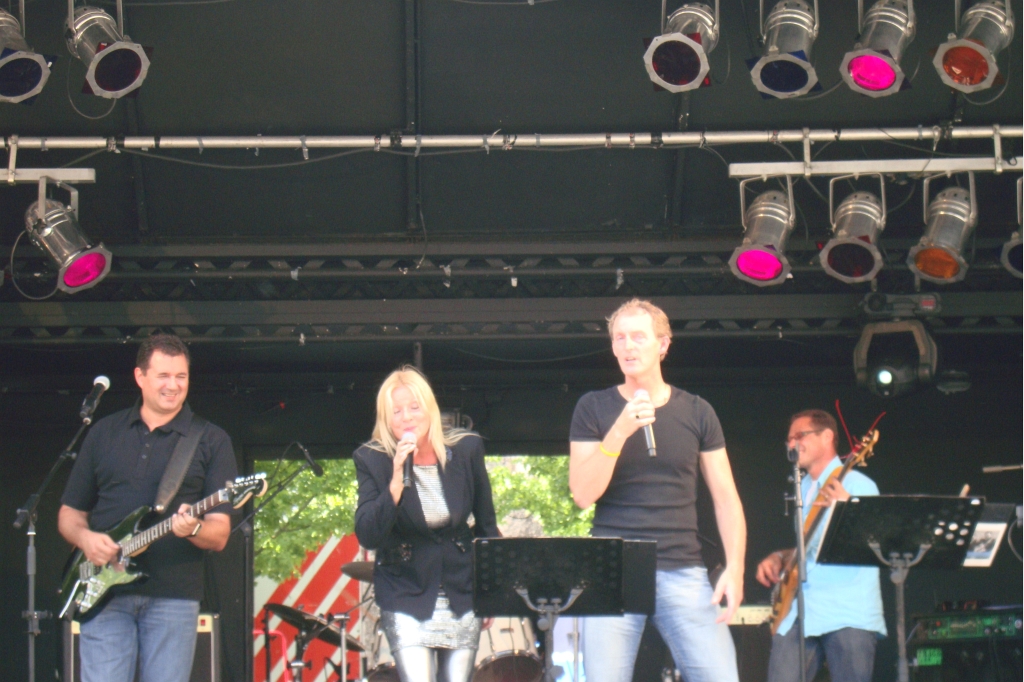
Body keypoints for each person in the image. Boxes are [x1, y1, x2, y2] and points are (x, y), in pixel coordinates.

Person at [569, 298, 747, 682]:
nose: (628, 346)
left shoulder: (697, 411)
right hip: (612, 570)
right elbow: (582, 494)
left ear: (663, 344)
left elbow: (726, 499)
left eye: (638, 337)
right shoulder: (593, 407)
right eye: (619, 338)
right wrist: (619, 431)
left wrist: (736, 567)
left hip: (681, 566)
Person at [58, 334, 238, 682]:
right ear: (140, 376)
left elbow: (219, 534)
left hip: (174, 596)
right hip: (103, 593)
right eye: (163, 376)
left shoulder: (211, 440)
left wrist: (194, 528)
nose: (173, 385)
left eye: (181, 376)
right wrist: (86, 540)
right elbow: (70, 515)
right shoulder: (104, 432)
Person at [354, 367, 499, 682]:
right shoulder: (372, 459)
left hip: (462, 589)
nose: (406, 417)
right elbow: (368, 535)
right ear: (386, 420)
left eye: (414, 407)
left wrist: (491, 593)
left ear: (429, 408)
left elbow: (487, 526)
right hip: (404, 588)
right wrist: (395, 482)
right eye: (396, 411)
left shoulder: (466, 450)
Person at [755, 409, 886, 682]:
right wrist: (780, 556)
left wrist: (847, 510)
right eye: (789, 439)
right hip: (802, 611)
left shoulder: (859, 485)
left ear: (827, 437)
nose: (792, 443)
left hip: (847, 612)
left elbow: (876, 546)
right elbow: (811, 548)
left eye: (799, 436)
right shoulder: (802, 487)